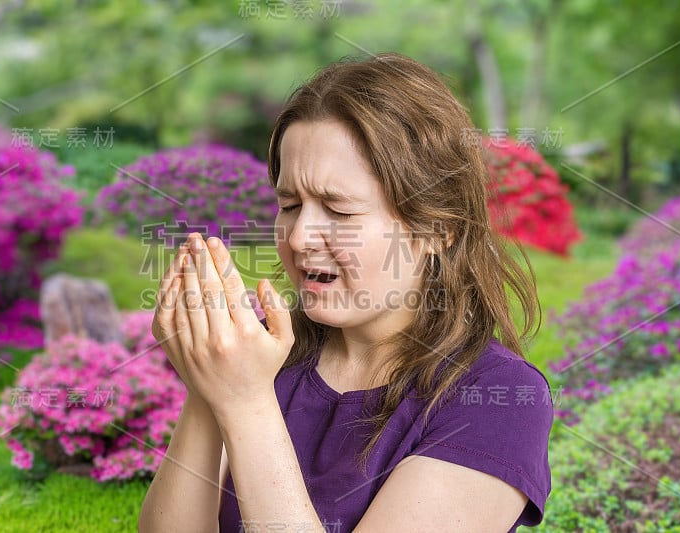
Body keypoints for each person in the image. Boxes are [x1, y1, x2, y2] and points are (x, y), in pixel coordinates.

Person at [140, 52, 553, 532]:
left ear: (439, 228)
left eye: (338, 210)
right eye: (290, 204)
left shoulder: (498, 398)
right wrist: (207, 380)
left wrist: (244, 403)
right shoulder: (264, 356)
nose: (298, 238)